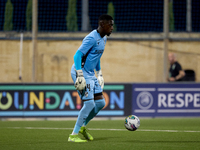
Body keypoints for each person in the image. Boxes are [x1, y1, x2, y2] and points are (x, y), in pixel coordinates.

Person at [68, 14, 114, 142]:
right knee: (89, 104)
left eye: (112, 25)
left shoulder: (104, 38)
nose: (112, 28)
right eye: (110, 25)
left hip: (90, 73)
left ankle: (83, 127)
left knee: (100, 103)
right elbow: (77, 56)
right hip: (81, 71)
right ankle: (73, 135)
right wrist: (80, 74)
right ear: (102, 24)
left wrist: (99, 73)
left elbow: (97, 57)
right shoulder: (91, 38)